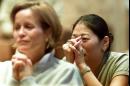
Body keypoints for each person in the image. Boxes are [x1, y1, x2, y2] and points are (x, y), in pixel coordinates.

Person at [0, 1, 83, 86]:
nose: (21, 33)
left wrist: (27, 80)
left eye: (28, 26)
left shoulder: (67, 72)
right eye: (17, 27)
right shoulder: (2, 69)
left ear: (48, 32)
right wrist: (13, 81)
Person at [63, 14, 129, 86]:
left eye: (84, 39)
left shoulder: (121, 62)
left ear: (105, 42)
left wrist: (82, 66)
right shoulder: (67, 61)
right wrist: (69, 64)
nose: (76, 44)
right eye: (74, 38)